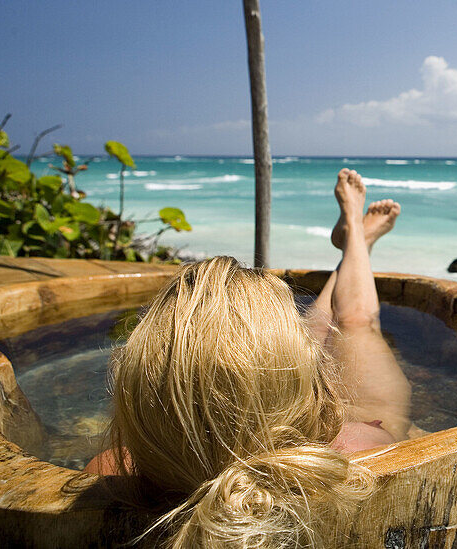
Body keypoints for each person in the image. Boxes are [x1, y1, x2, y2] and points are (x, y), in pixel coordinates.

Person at [84, 169, 408, 548]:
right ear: (317, 401)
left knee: (316, 327)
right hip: (317, 438)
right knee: (353, 323)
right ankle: (356, 236)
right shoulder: (359, 447)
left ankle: (356, 240)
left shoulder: (110, 471)